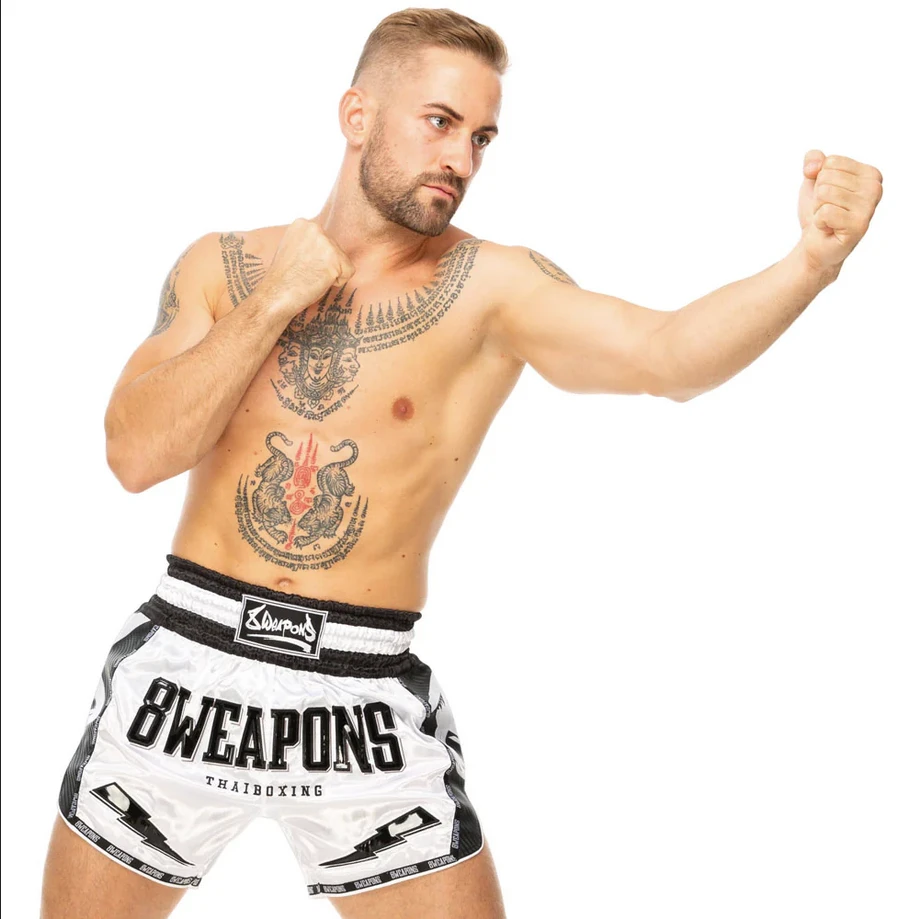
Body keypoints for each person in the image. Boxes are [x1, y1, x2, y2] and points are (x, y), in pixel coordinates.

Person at [39, 7, 883, 919]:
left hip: (358, 702)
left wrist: (809, 264)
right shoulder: (225, 265)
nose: (462, 160)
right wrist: (275, 300)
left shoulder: (492, 289)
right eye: (439, 123)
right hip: (183, 676)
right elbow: (134, 454)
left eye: (481, 137)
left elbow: (666, 356)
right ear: (357, 115)